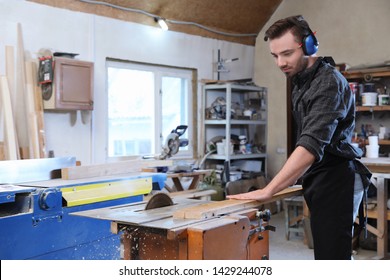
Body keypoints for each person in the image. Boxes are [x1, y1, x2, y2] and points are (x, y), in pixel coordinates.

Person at [227, 15, 371, 260]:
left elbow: (311, 144)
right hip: (320, 175)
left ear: (309, 44)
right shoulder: (301, 80)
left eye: (286, 54)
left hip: (337, 176)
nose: (280, 63)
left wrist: (269, 189)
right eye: (275, 56)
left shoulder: (327, 82)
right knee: (327, 254)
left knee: (333, 258)